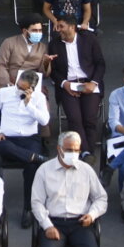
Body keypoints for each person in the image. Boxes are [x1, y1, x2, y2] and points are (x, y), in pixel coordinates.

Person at [31, 131, 107, 247]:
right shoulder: (44, 170)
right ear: (59, 149)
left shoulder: (86, 170)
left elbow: (101, 198)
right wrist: (47, 226)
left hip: (80, 223)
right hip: (54, 222)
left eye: (76, 150)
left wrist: (92, 214)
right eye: (69, 149)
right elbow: (36, 202)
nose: (73, 153)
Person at [0, 68, 49, 226]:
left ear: (31, 89)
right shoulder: (4, 93)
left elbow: (44, 121)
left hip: (29, 138)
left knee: (31, 168)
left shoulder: (39, 97)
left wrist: (29, 105)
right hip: (8, 138)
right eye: (18, 86)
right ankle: (35, 157)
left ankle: (28, 208)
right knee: (2, 147)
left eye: (22, 88)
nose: (18, 90)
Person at [48, 16, 105, 162]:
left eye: (61, 26)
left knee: (90, 118)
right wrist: (64, 83)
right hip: (68, 84)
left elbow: (100, 64)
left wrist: (93, 83)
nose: (58, 29)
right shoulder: (54, 44)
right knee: (75, 119)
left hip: (88, 82)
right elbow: (53, 71)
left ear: (72, 27)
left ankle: (87, 151)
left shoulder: (89, 40)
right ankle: (87, 153)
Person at [0, 14, 47, 89]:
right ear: (25, 31)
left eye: (40, 30)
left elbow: (44, 75)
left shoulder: (42, 47)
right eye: (34, 30)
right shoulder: (9, 42)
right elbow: (1, 66)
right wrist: (7, 84)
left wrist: (46, 63)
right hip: (11, 82)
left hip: (32, 85)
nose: (38, 33)